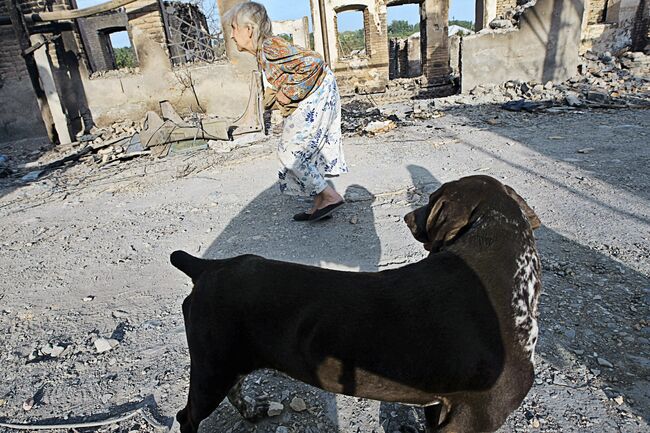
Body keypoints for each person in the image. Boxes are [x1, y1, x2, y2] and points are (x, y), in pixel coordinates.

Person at [224, 2, 348, 222]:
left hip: (318, 91)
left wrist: (286, 93)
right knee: (297, 149)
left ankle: (330, 196)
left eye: (234, 27)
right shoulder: (263, 51)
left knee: (290, 153)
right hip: (316, 90)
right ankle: (320, 201)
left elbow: (314, 62)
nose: (232, 35)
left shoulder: (270, 46)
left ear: (249, 29)